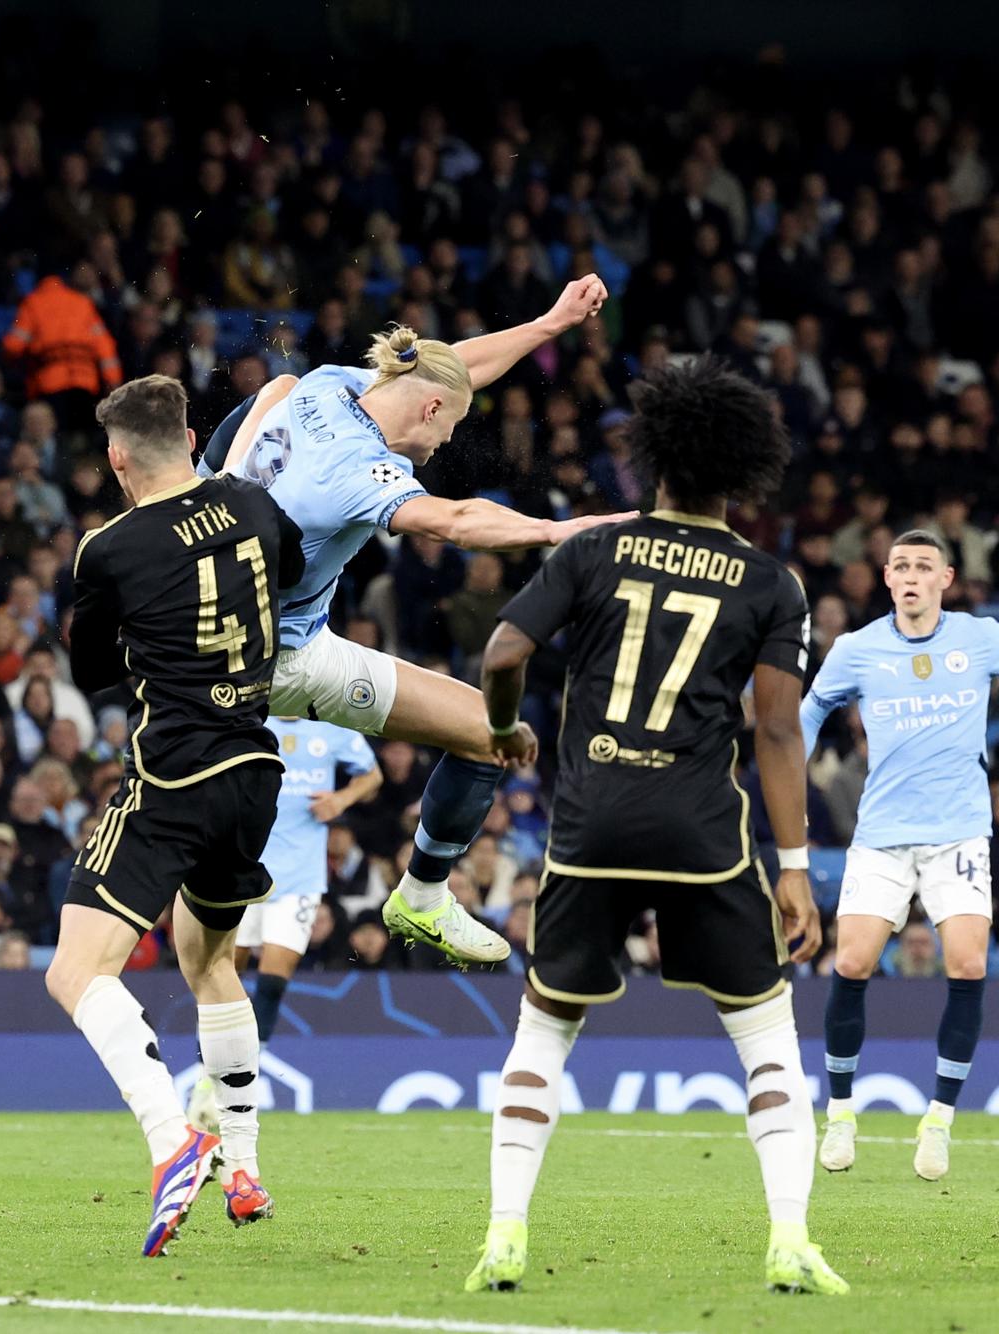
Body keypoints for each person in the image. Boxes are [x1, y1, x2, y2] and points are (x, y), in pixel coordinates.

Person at [462, 359, 845, 1296]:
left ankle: (505, 1233)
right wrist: (793, 868)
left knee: (545, 1030)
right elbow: (780, 728)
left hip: (591, 824)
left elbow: (504, 648)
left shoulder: (593, 551)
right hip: (702, 834)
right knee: (765, 1039)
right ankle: (790, 1239)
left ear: (654, 460)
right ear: (742, 472)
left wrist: (506, 724)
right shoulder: (771, 582)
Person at [204, 281, 632, 965]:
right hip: (266, 660)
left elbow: (451, 367)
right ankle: (424, 889)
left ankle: (422, 900)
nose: (443, 442)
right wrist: (562, 529)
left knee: (484, 732)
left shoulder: (329, 384)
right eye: (450, 426)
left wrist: (550, 324)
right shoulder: (361, 468)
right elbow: (457, 520)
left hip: (221, 624)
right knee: (495, 734)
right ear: (430, 409)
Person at [43, 374, 303, 1258]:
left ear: (119, 461)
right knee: (210, 958)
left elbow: (89, 674)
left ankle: (172, 1142)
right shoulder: (256, 507)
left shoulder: (108, 548)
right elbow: (293, 571)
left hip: (174, 773)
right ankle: (242, 1167)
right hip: (254, 773)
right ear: (191, 436)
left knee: (77, 973)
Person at [800, 530, 999, 1182]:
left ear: (946, 578)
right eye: (902, 566)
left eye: (925, 567)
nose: (912, 576)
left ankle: (938, 1122)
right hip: (882, 832)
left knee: (968, 963)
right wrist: (784, 780)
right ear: (887, 578)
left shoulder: (979, 637)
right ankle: (841, 1113)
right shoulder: (858, 649)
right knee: (853, 960)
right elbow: (810, 712)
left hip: (959, 832)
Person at [195, 716, 378, 1111]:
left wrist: (341, 800)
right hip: (244, 870)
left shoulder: (331, 729)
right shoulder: (251, 720)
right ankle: (206, 1071)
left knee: (273, 982)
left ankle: (243, 1075)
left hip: (300, 879)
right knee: (226, 973)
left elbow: (372, 775)